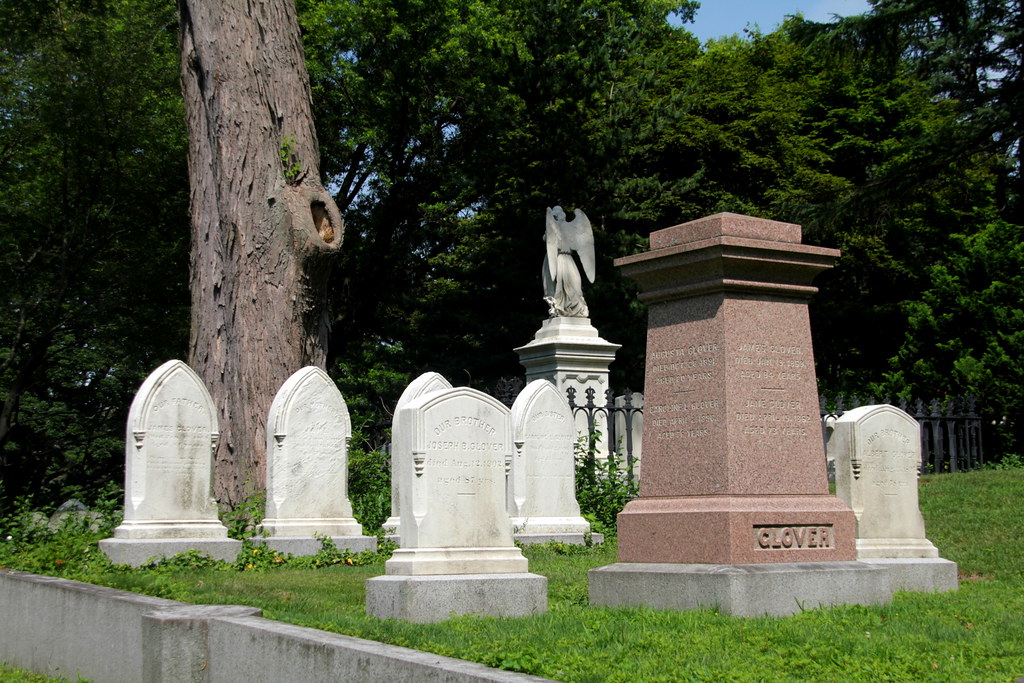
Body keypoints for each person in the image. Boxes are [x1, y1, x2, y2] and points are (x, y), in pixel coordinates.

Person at [542, 206, 595, 318]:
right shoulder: (552, 228)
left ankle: (577, 309)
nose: (560, 214)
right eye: (557, 213)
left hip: (568, 259)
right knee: (559, 284)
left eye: (561, 212)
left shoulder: (572, 226)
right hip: (558, 259)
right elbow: (546, 239)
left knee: (575, 282)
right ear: (554, 216)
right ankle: (560, 307)